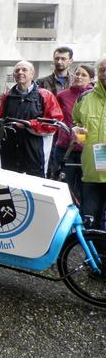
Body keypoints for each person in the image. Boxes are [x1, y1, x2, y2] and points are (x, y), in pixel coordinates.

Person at [0, 60, 63, 177]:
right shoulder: (8, 95)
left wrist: (29, 124)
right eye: (17, 70)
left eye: (24, 70)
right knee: (10, 181)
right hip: (10, 149)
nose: (20, 72)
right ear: (14, 75)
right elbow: (0, 117)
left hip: (35, 151)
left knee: (34, 182)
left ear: (32, 74)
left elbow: (54, 123)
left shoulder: (45, 95)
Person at [72, 57, 106, 229]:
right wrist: (78, 133)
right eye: (102, 70)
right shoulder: (85, 98)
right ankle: (92, 246)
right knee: (90, 220)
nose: (105, 73)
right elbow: (76, 123)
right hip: (92, 170)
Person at [54, 64, 94, 202]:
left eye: (83, 75)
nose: (79, 77)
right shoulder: (62, 95)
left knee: (87, 188)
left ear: (91, 79)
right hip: (65, 148)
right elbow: (56, 118)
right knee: (65, 187)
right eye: (77, 74)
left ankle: (86, 214)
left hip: (88, 150)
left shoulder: (95, 97)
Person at [36, 47, 74, 177]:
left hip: (69, 129)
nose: (59, 61)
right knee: (47, 165)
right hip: (49, 128)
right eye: (57, 58)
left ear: (70, 61)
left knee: (68, 168)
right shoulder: (41, 82)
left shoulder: (76, 81)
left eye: (63, 58)